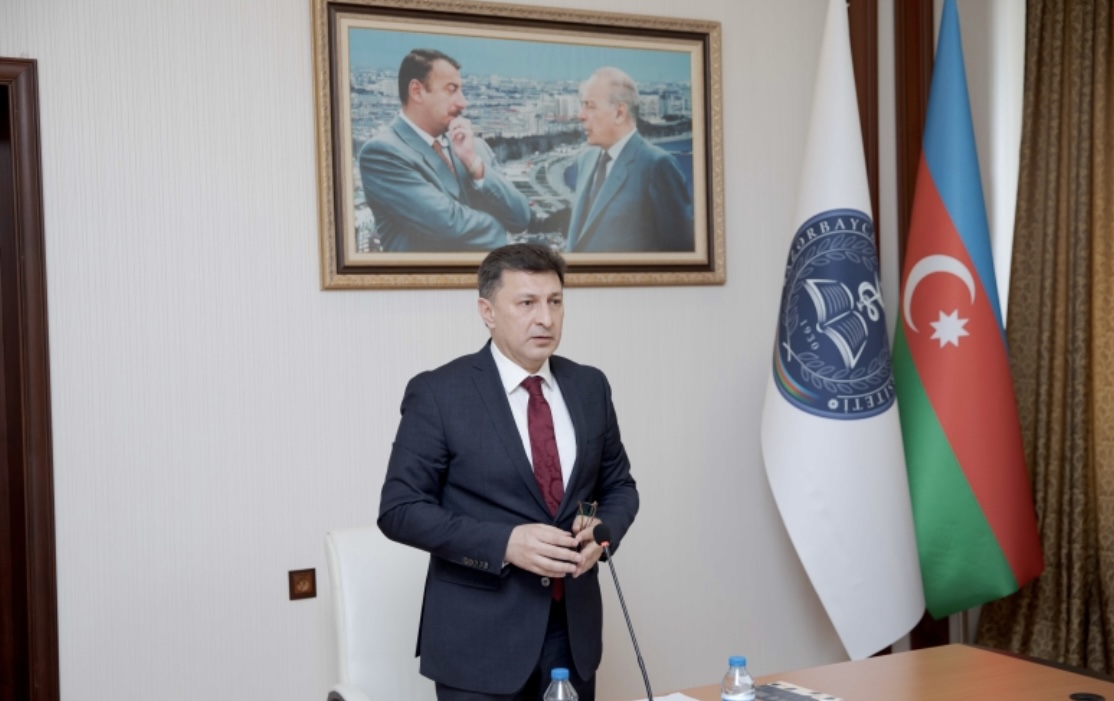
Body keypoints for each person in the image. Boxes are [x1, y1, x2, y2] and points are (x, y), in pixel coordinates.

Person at [378, 243, 640, 701]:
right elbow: (400, 510)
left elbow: (619, 487)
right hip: (479, 642)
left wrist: (602, 531)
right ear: (488, 312)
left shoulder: (589, 386)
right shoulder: (439, 393)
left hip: (571, 635)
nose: (545, 319)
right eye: (527, 303)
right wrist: (505, 544)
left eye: (555, 301)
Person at [358, 49, 531, 252]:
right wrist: (500, 228)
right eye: (451, 90)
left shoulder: (475, 148)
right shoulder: (382, 153)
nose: (463, 102)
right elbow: (448, 225)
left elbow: (521, 218)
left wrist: (474, 164)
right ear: (417, 91)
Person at [565, 67, 694, 253]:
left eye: (590, 106)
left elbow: (680, 252)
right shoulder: (586, 159)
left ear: (619, 113)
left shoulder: (657, 166)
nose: (581, 115)